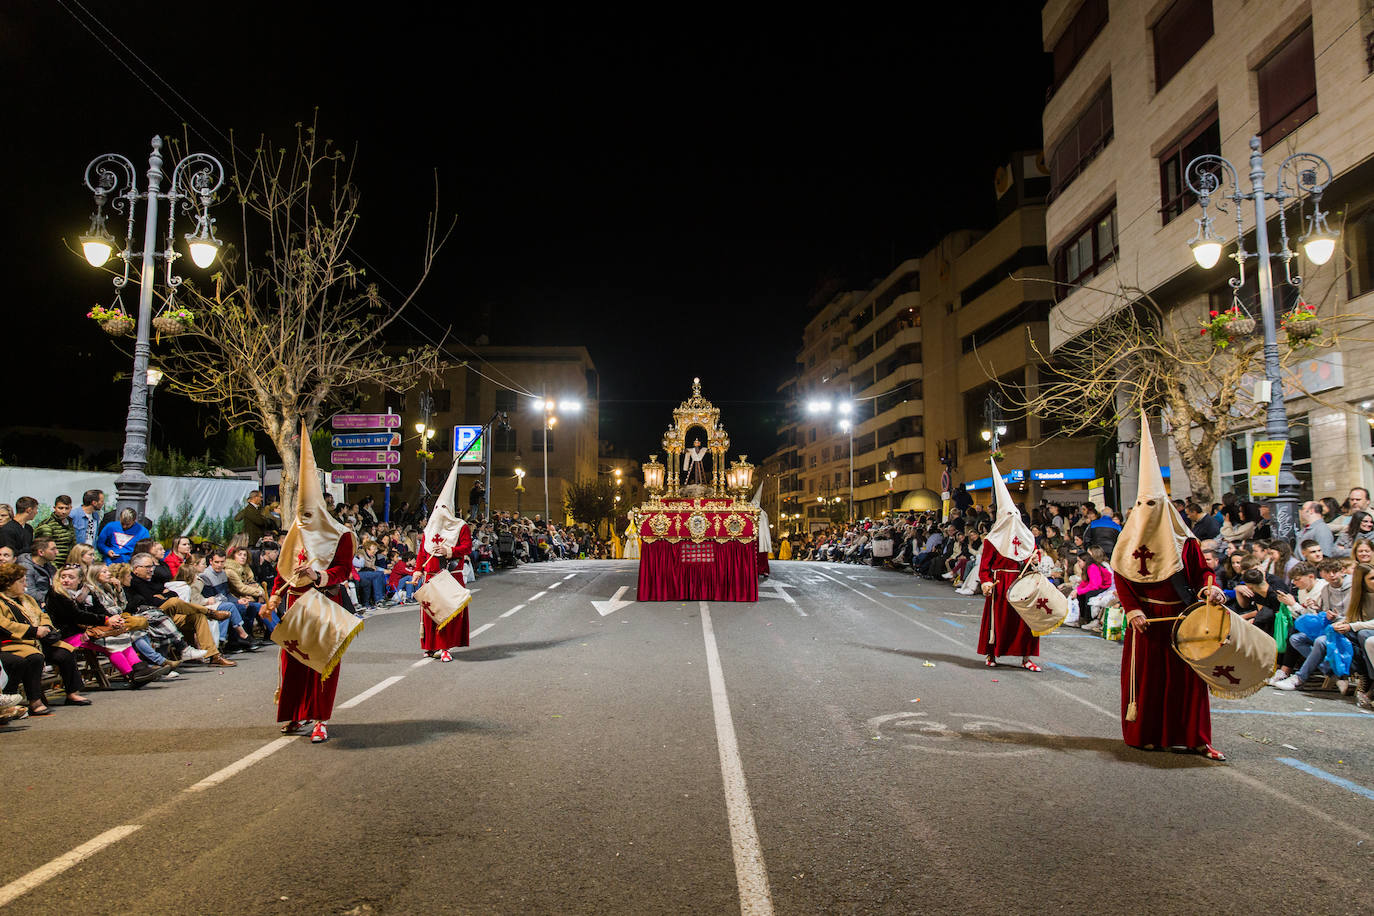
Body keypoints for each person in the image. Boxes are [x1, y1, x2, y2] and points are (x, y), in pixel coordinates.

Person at [1110, 416, 1227, 761]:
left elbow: (1203, 574)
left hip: (1181, 619)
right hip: (1146, 622)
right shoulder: (1126, 543)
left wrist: (1210, 590)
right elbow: (1122, 576)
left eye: (1154, 507)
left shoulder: (1185, 543)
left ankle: (1195, 739)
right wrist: (1132, 609)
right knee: (1148, 681)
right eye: (1143, 507)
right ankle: (1146, 734)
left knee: (1189, 684)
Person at [268, 424, 359, 744]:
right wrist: (274, 596)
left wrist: (318, 576)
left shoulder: (342, 536)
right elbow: (284, 568)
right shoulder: (295, 532)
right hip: (295, 605)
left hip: (323, 604)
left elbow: (343, 571)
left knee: (323, 664)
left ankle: (320, 718)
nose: (303, 520)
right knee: (292, 663)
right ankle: (294, 714)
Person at [976, 459, 1041, 671]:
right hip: (1000, 583)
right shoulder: (992, 540)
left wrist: (1033, 561)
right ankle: (991, 653)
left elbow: (1031, 559)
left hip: (1020, 582)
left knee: (1025, 622)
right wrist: (986, 581)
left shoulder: (1027, 537)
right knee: (998, 621)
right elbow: (985, 566)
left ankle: (1026, 657)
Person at [0, 561, 88, 709]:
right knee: (34, 657)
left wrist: (46, 627)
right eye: (21, 581)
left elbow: (42, 615)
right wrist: (33, 631)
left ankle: (72, 692)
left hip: (38, 639)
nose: (25, 584)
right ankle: (35, 700)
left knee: (65, 652)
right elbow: (4, 624)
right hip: (15, 643)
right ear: (9, 584)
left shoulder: (27, 598)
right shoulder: (2, 601)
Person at [413, 457, 474, 663]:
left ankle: (445, 646)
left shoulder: (460, 527)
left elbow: (467, 548)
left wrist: (449, 550)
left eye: (443, 510)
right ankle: (431, 646)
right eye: (437, 510)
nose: (439, 514)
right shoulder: (429, 529)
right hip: (430, 576)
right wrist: (417, 571)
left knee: (447, 613)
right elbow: (423, 551)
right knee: (431, 614)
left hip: (450, 576)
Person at [33, 495, 77, 564]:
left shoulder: (69, 522)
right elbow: (44, 550)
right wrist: (52, 569)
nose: (64, 511)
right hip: (52, 565)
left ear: (71, 508)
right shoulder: (47, 525)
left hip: (67, 564)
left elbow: (73, 544)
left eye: (67, 508)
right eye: (60, 508)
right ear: (54, 508)